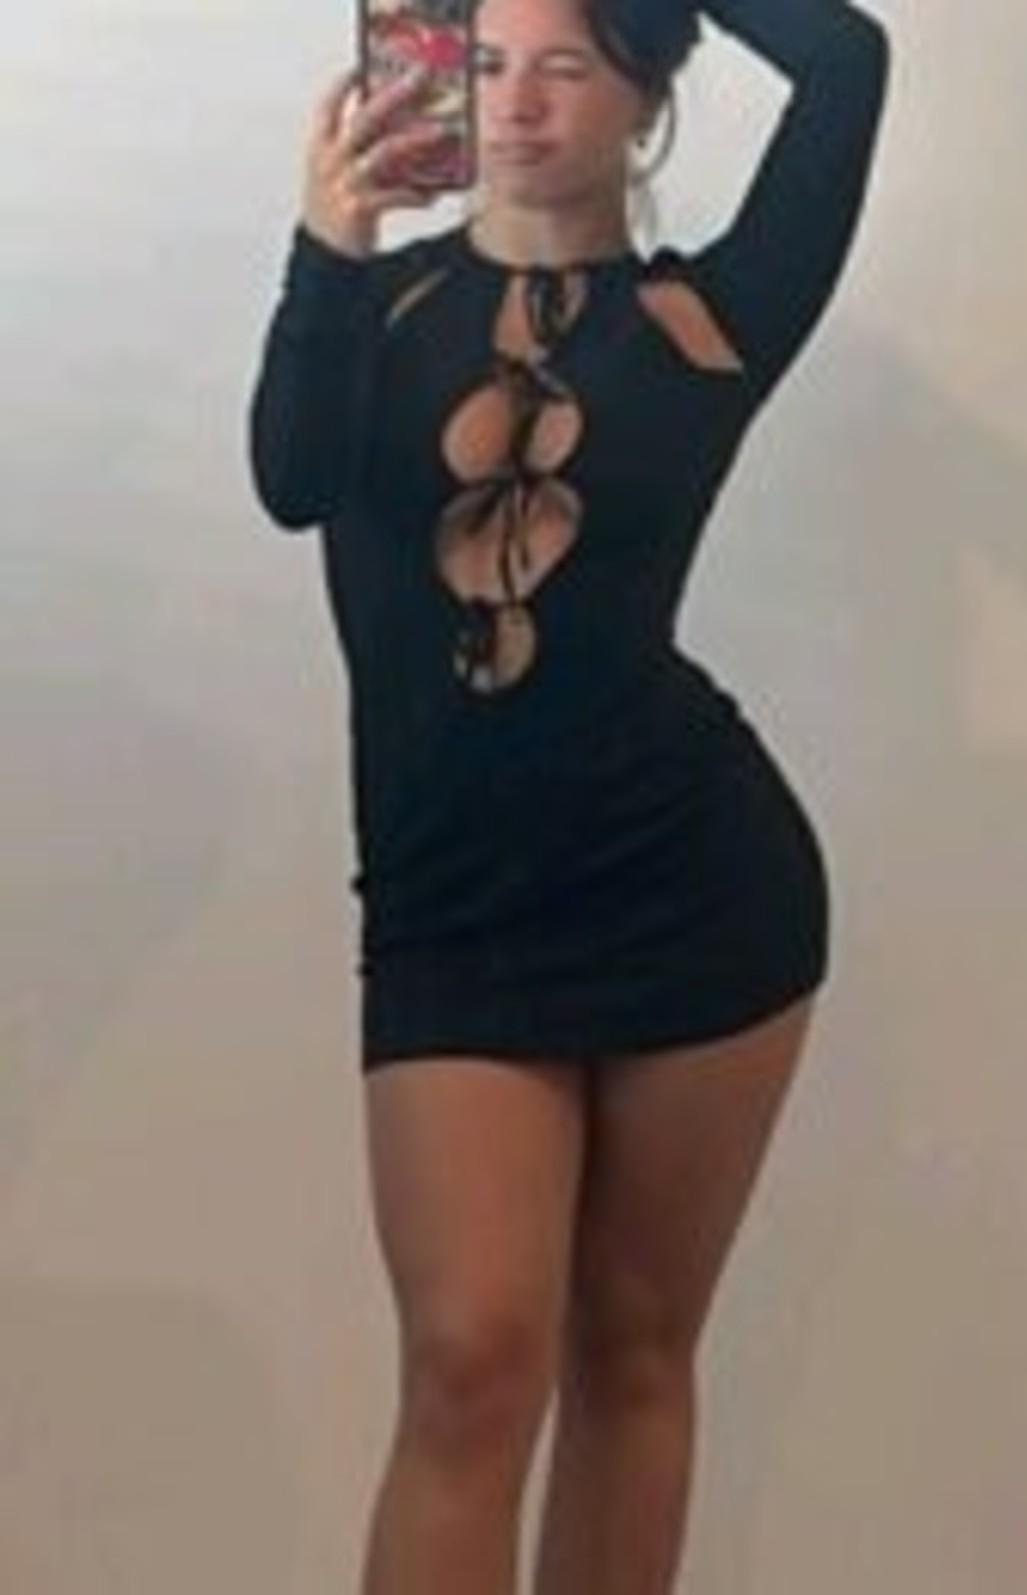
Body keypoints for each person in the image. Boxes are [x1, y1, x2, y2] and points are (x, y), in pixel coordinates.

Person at [247, 0, 890, 1590]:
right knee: (469, 1364)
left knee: (636, 1349)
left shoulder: (716, 316)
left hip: (701, 893)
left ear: (645, 98)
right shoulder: (377, 297)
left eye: (569, 65)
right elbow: (291, 479)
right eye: (484, 64)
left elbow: (848, 60)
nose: (519, 103)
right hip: (451, 912)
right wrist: (327, 239)